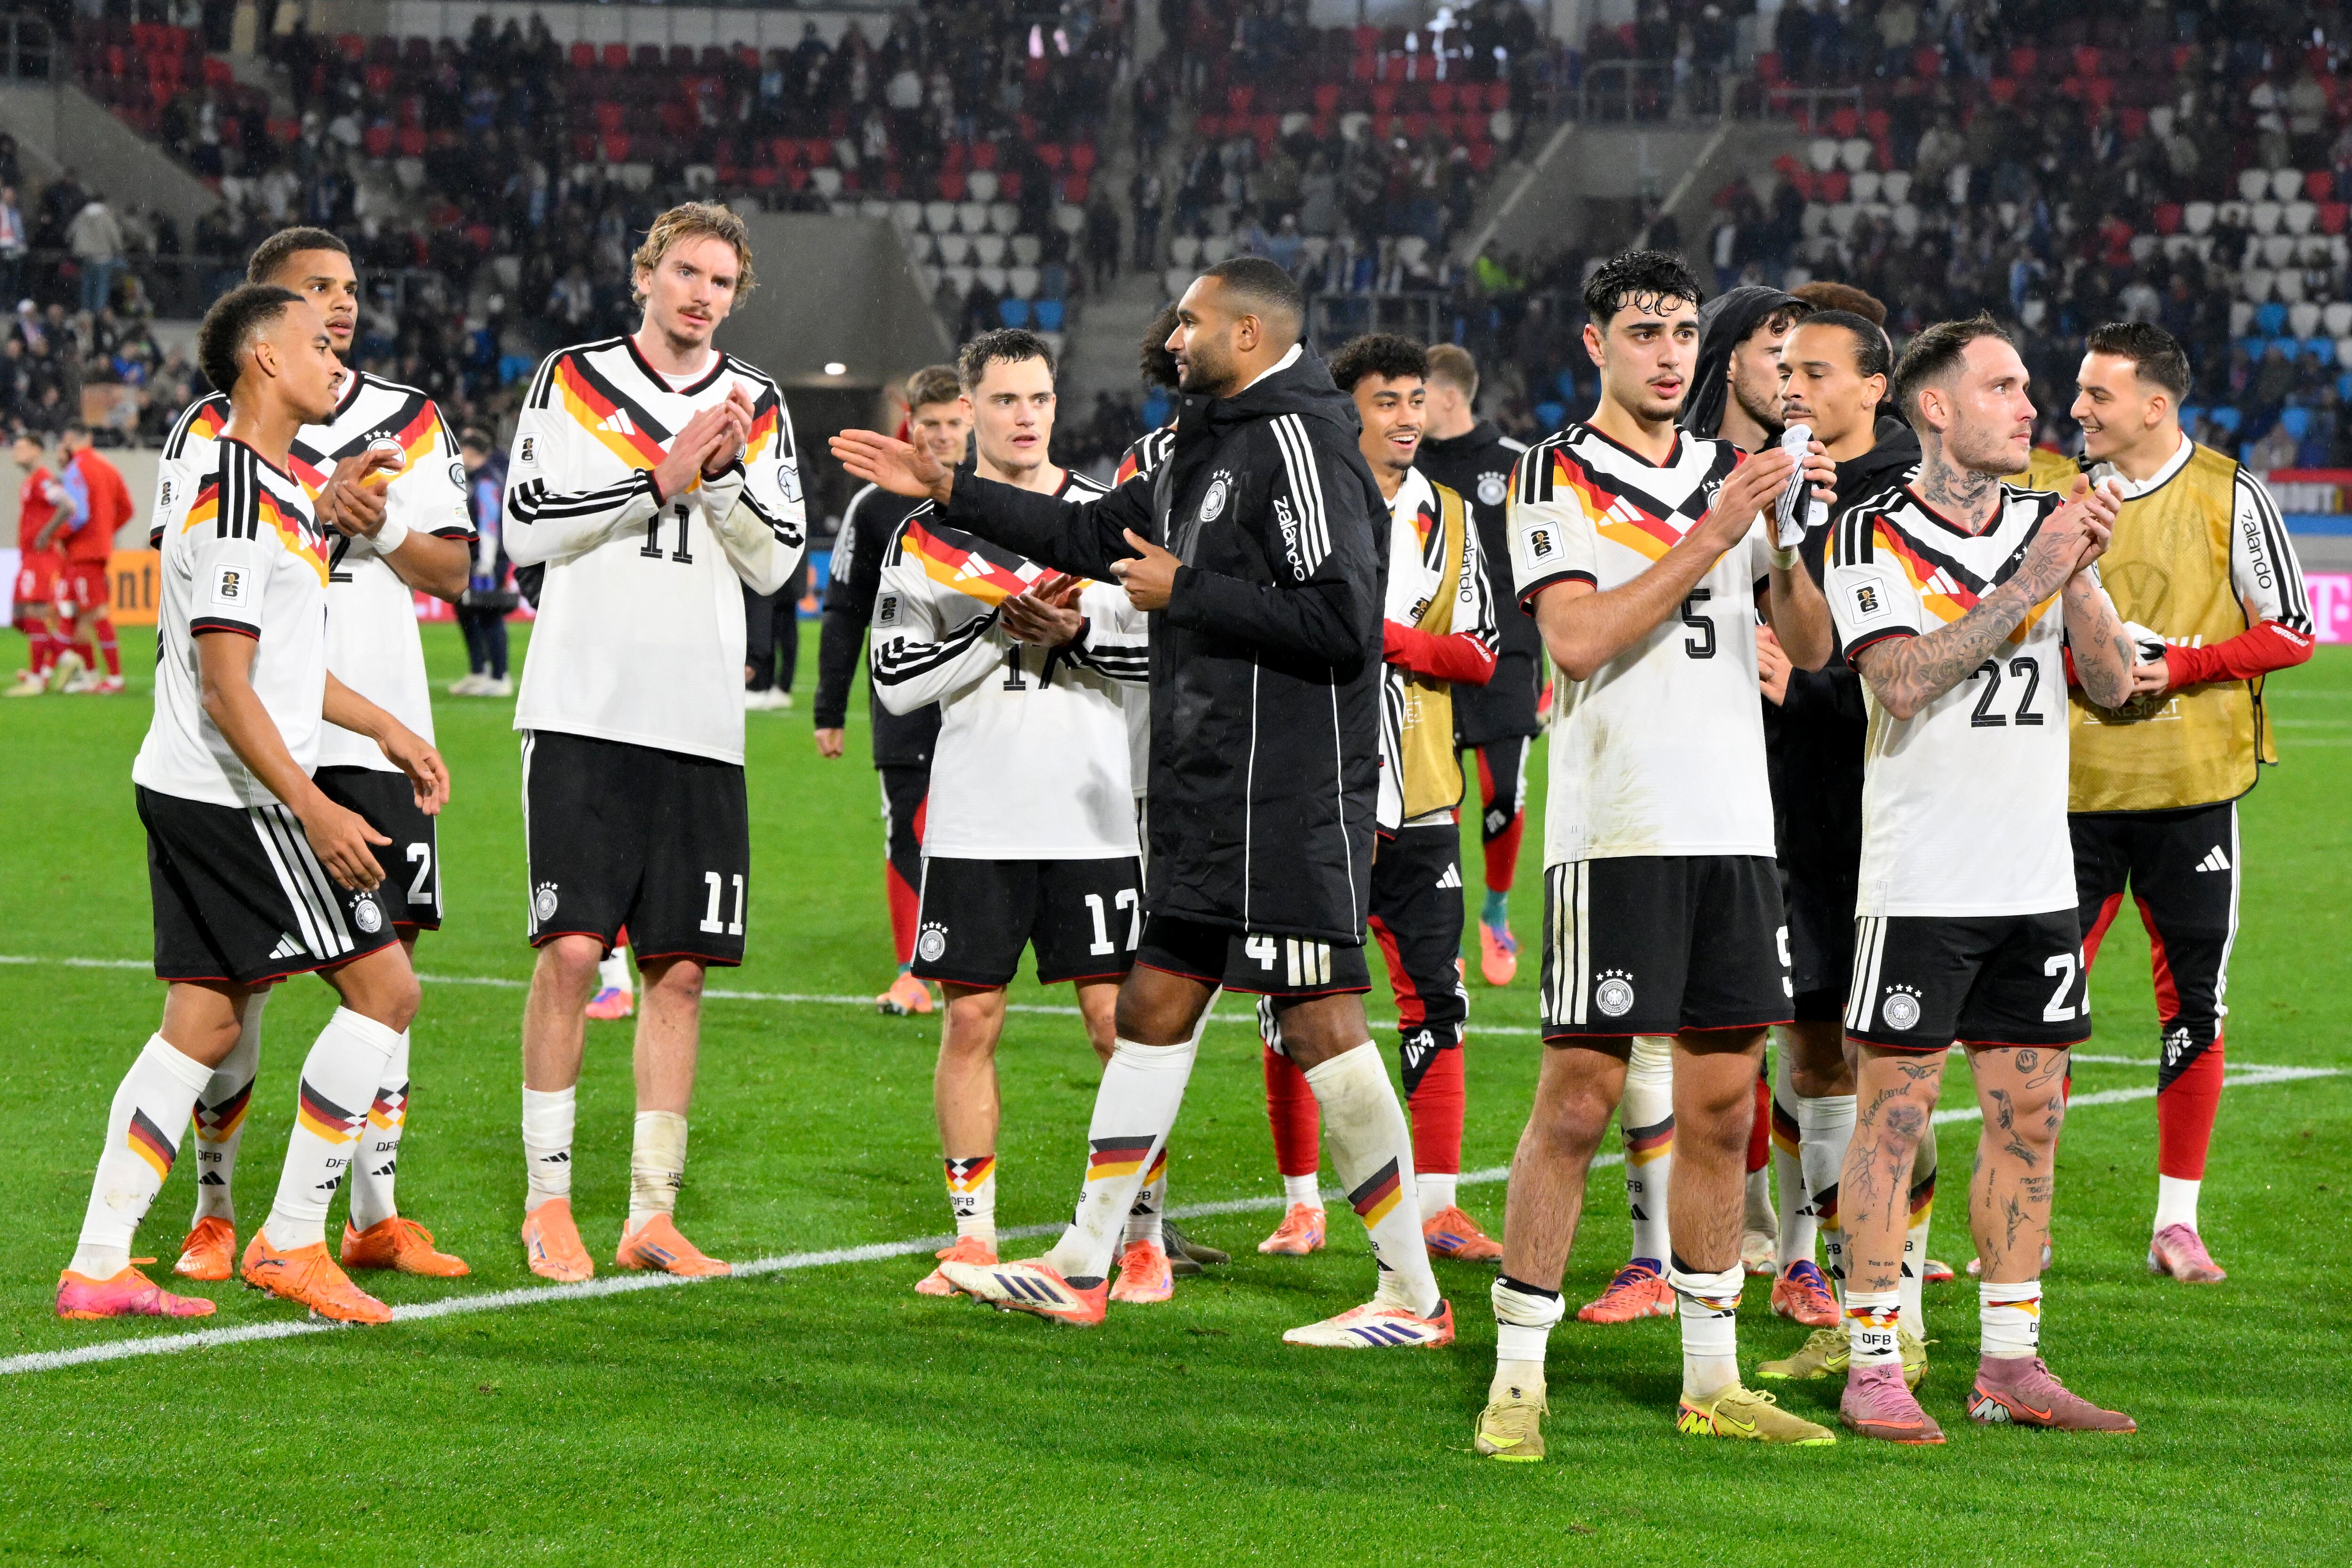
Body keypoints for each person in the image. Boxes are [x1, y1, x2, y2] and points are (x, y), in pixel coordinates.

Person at [834, 258, 1453, 1346]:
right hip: (1205, 792)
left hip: (1286, 792)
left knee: (1321, 1025)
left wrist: (1189, 593)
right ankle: (1084, 1262)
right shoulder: (1191, 447)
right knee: (1151, 1010)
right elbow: (1084, 540)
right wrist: (947, 492)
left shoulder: (1302, 443)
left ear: (1250, 333)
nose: (1172, 334)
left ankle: (1410, 1295)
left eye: (1193, 320)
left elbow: (1345, 623)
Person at [1474, 250, 1839, 1461]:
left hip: (1735, 824)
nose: (1671, 352)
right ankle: (1516, 1375)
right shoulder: (1549, 474)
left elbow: (1809, 642)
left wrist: (1787, 534)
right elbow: (1575, 638)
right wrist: (1716, 526)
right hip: (1617, 828)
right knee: (1577, 1100)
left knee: (1725, 1106)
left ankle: (1710, 1378)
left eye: (1684, 330)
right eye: (1644, 331)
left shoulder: (1737, 476)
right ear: (1596, 344)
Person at [58, 283, 447, 1325]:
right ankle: (288, 1239)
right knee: (387, 992)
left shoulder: (272, 491)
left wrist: (385, 728)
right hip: (235, 796)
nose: (337, 361)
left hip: (193, 784)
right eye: (320, 346)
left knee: (202, 1018)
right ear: (265, 360)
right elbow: (229, 686)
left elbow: (280, 664)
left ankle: (100, 1260)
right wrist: (314, 807)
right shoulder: (235, 499)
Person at [1824, 314, 2140, 1442]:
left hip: (2031, 875)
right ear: (1935, 407)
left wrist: (2079, 576)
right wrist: (2031, 578)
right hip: (1919, 881)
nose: (2030, 407)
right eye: (2003, 387)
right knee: (1891, 1121)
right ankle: (1871, 1359)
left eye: (2028, 388)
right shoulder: (1868, 533)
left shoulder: (2046, 528)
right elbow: (1902, 682)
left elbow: (2108, 687)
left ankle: (2009, 1361)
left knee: (2030, 1119)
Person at [148, 227, 476, 1286]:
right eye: (312, 291)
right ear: (265, 324)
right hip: (255, 738)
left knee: (391, 963)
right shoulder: (209, 428)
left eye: (348, 289)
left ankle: (371, 1209)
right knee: (233, 984)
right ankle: (217, 1210)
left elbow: (456, 571)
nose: (337, 308)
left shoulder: (409, 416)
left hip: (366, 716)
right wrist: (311, 511)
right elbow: (194, 579)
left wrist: (365, 526)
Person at [506, 202, 804, 1284]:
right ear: (645, 275)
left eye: (721, 282)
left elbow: (779, 567)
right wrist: (658, 476)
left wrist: (719, 478)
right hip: (585, 706)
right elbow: (526, 526)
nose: (701, 294)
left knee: (678, 973)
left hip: (698, 724)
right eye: (685, 272)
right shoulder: (571, 380)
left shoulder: (758, 404)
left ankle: (650, 1216)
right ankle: (549, 1206)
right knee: (575, 956)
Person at [2022, 321, 2312, 1284]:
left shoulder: (2230, 494)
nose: (2075, 409)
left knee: (2192, 1002)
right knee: (2043, 1012)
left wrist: (2186, 663)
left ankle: (2175, 1224)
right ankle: (2028, 1216)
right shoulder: (2048, 496)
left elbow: (2294, 630)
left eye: (2095, 394)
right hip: (2068, 793)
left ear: (2155, 404)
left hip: (2193, 791)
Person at [863, 331, 1152, 1297]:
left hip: (1093, 814)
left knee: (1122, 1027)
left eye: (1038, 399)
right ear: (968, 410)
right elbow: (897, 682)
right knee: (971, 1019)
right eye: (1004, 401)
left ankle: (1138, 1232)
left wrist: (1074, 629)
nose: (1024, 417)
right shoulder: (926, 534)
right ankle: (975, 1236)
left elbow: (1166, 647)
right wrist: (999, 626)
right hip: (980, 814)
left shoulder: (1107, 519)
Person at [1257, 333, 1505, 1265]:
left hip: (1424, 788)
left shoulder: (1449, 515)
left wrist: (1377, 637)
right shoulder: (1300, 511)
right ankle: (1299, 1202)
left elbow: (1478, 652)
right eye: (1387, 401)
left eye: (1417, 400)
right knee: (1295, 999)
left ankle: (1439, 1205)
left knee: (1434, 998)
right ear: (1345, 411)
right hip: (1314, 791)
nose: (1407, 416)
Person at [1752, 306, 1944, 1388]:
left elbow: (1921, 668)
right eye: (1783, 372)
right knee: (1815, 1056)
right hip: (1791, 815)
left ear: (1878, 387)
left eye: (1815, 372)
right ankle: (1849, 1299)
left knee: (1891, 1068)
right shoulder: (1776, 488)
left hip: (1896, 820)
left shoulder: (1918, 500)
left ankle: (1900, 1308)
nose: (1794, 389)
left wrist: (1809, 686)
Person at [814, 364, 969, 1018]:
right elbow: (845, 607)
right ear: (911, 419)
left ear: (971, 416)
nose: (939, 437)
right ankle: (912, 970)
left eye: (952, 424)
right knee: (909, 827)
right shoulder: (876, 504)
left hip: (982, 700)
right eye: (927, 424)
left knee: (986, 829)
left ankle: (975, 956)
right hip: (903, 698)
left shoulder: (1002, 495)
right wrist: (829, 708)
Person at [1415, 343, 1534, 987]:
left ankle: (1495, 908)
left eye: (1418, 394)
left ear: (1450, 395)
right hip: (1432, 658)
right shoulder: (1403, 467)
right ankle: (1447, 923)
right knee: (1438, 801)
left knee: (1502, 794)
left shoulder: (1515, 466)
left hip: (1508, 658)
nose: (1409, 408)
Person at [56, 422, 135, 694]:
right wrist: (105, 532)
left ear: (70, 440)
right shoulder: (108, 467)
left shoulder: (76, 468)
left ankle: (114, 678)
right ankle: (90, 675)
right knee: (78, 614)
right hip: (95, 549)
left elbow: (77, 514)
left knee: (94, 612)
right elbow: (127, 508)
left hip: (82, 552)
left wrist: (55, 533)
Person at [5, 427, 79, 696]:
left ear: (37, 451)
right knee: (18, 617)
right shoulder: (30, 482)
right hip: (29, 557)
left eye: (23, 447)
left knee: (34, 614)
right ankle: (65, 658)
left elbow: (69, 506)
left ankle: (37, 679)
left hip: (41, 557)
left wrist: (45, 534)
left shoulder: (43, 479)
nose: (17, 451)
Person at [451, 426, 515, 698]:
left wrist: (487, 561)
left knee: (490, 614)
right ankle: (478, 672)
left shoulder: (487, 480)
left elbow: (490, 523)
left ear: (468, 451)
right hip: (473, 558)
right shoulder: (476, 478)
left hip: (487, 560)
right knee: (465, 612)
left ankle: (500, 677)